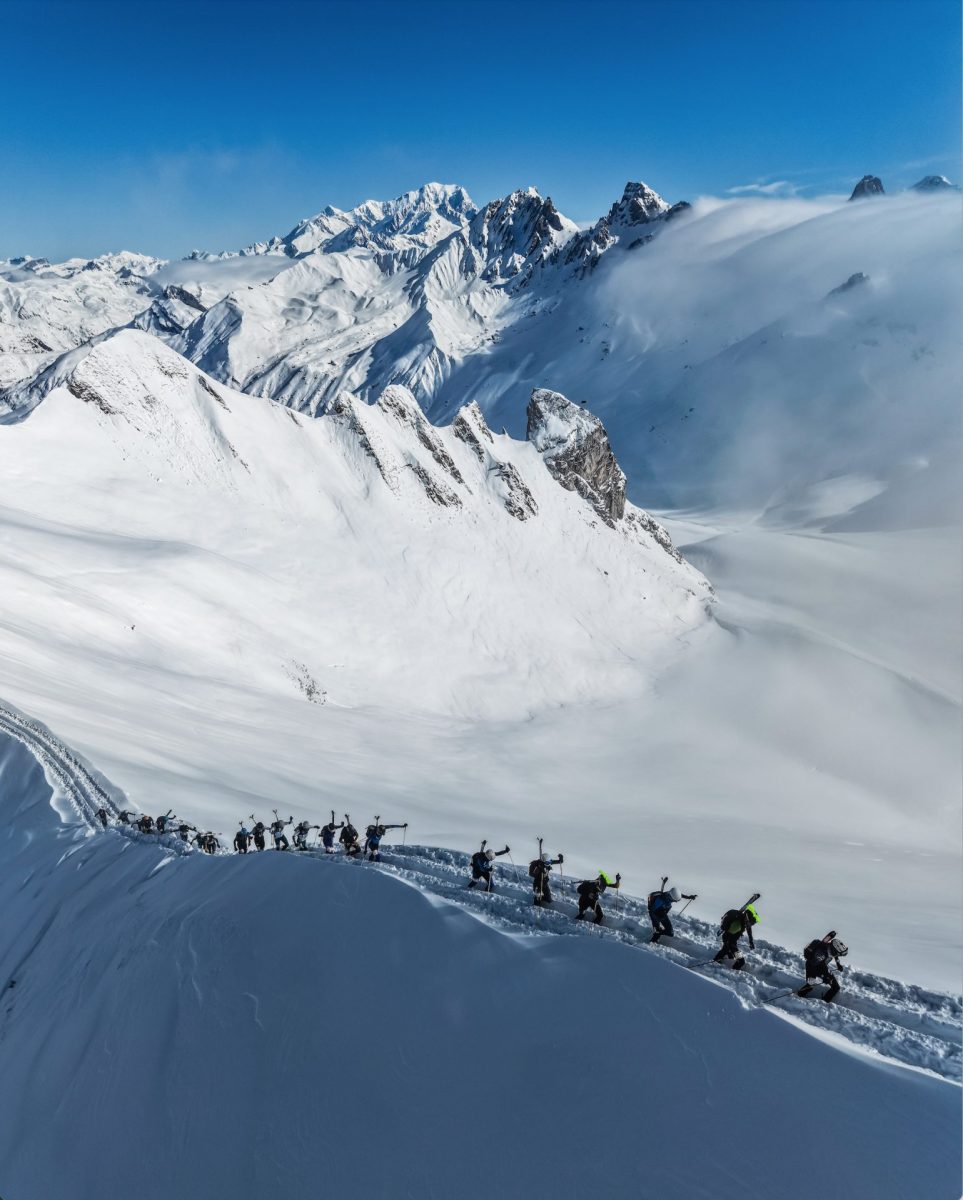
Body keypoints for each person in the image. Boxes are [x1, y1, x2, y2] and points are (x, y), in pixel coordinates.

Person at [798, 931, 848, 1002]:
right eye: (838, 954)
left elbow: (835, 955)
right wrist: (824, 977)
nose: (838, 955)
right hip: (812, 965)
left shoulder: (830, 948)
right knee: (811, 983)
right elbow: (814, 966)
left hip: (821, 964)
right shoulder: (821, 954)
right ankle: (799, 995)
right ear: (834, 951)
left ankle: (824, 1002)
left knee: (836, 987)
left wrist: (838, 964)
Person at [714, 900, 760, 970]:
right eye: (751, 923)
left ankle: (721, 960)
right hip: (730, 943)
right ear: (748, 919)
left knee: (733, 956)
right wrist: (729, 947)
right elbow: (727, 937)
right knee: (741, 961)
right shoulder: (737, 925)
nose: (751, 925)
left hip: (732, 943)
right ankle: (729, 969)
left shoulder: (744, 922)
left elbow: (749, 931)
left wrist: (751, 942)